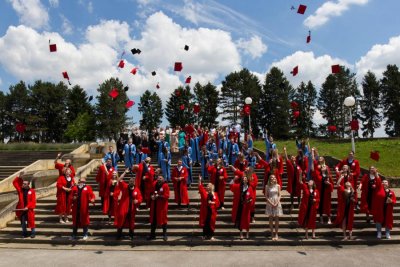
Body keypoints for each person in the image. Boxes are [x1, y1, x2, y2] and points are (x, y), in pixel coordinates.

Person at [114, 169, 143, 240]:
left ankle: (131, 235)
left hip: (132, 208)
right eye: (130, 181)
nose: (131, 182)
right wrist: (124, 172)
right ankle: (119, 234)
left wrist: (138, 201)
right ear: (128, 182)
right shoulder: (124, 186)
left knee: (131, 222)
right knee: (121, 221)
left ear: (134, 182)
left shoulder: (136, 189)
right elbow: (119, 180)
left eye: (132, 181)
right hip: (123, 207)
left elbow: (140, 198)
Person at [311, 151, 333, 224]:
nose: (323, 168)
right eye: (319, 158)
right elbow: (313, 165)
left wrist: (329, 183)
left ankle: (329, 218)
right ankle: (321, 218)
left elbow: (331, 180)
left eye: (321, 158)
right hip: (320, 190)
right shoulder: (317, 171)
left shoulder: (327, 169)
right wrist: (313, 153)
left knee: (327, 204)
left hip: (326, 190)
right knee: (320, 204)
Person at [230, 175, 255, 240]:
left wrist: (250, 201)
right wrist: (233, 179)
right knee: (240, 220)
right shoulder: (238, 186)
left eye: (245, 179)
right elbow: (231, 186)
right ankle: (241, 234)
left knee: (247, 220)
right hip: (240, 206)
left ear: (247, 180)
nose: (244, 180)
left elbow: (252, 197)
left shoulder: (250, 188)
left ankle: (247, 233)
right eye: (243, 179)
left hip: (247, 207)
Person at [13, 173, 36, 238]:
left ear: (28, 185)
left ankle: (33, 233)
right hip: (21, 209)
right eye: (23, 183)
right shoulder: (20, 190)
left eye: (24, 184)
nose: (23, 185)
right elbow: (15, 183)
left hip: (29, 209)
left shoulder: (32, 191)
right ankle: (24, 233)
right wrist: (19, 177)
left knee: (31, 221)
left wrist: (27, 207)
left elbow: (33, 201)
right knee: (23, 222)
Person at [148, 175, 170, 241]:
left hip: (162, 207)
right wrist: (151, 196)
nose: (159, 179)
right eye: (158, 178)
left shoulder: (165, 185)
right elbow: (151, 192)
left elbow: (167, 196)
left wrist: (159, 196)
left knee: (163, 220)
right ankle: (152, 235)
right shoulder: (154, 184)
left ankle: (165, 235)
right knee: (153, 221)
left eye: (160, 178)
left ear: (163, 179)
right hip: (154, 206)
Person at [198, 176, 220, 240]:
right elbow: (200, 187)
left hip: (212, 211)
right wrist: (199, 180)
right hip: (205, 210)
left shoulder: (215, 194)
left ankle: (211, 235)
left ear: (211, 187)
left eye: (208, 186)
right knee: (205, 223)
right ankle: (204, 235)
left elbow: (218, 203)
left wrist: (213, 203)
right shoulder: (204, 192)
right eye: (207, 186)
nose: (207, 187)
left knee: (211, 223)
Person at [265, 174, 283, 241]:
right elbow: (266, 196)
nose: (273, 178)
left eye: (274, 177)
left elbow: (280, 194)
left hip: (277, 202)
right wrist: (271, 203)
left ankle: (276, 233)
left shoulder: (278, 186)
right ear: (270, 179)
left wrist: (277, 202)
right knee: (270, 218)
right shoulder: (267, 186)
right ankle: (272, 233)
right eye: (272, 177)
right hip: (270, 202)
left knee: (276, 218)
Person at [284, 147, 302, 212]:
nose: (293, 158)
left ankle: (299, 204)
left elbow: (300, 172)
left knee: (299, 193)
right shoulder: (289, 164)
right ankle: (292, 205)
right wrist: (285, 151)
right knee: (292, 193)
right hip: (292, 181)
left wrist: (300, 180)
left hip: (297, 181)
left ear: (295, 159)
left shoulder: (298, 166)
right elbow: (286, 158)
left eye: (294, 157)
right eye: (292, 158)